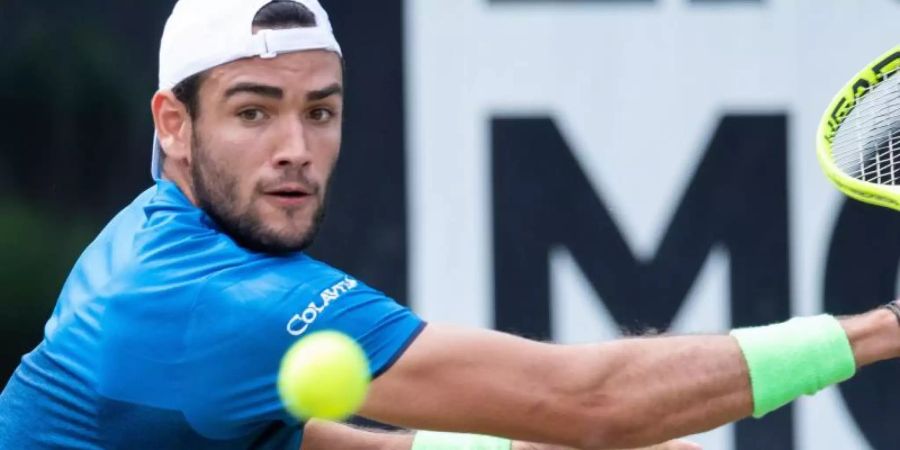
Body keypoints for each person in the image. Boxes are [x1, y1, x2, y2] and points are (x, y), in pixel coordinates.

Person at [1, 0, 898, 449]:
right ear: (173, 123)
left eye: (320, 111)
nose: (296, 149)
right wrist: (882, 329)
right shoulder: (232, 305)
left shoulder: (146, 235)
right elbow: (591, 401)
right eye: (253, 112)